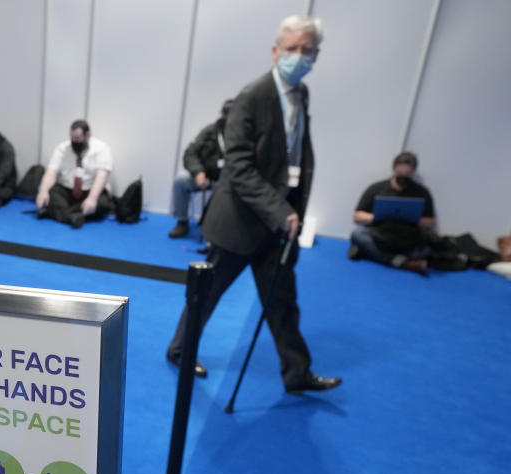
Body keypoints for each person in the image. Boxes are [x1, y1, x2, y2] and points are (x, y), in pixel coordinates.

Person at [166, 15, 341, 395]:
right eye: (291, 49)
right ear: (275, 51)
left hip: (277, 225)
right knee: (207, 294)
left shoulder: (301, 94)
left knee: (282, 301)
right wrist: (280, 210)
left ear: (316, 55)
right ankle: (180, 351)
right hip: (239, 221)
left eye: (306, 50)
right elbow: (239, 169)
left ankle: (296, 373)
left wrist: (288, 209)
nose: (299, 56)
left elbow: (290, 156)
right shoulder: (252, 96)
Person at [348, 151, 436, 275]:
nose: (403, 177)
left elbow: (430, 223)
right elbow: (357, 216)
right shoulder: (376, 188)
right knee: (357, 234)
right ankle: (402, 262)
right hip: (379, 235)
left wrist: (413, 217)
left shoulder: (422, 192)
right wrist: (378, 216)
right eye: (400, 173)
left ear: (413, 173)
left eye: (408, 174)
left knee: (426, 250)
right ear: (394, 169)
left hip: (407, 239)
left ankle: (369, 253)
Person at [169, 99, 233, 238]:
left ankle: (221, 228)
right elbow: (190, 153)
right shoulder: (210, 131)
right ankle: (182, 221)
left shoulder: (243, 135)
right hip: (207, 176)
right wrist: (198, 172)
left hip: (229, 181)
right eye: (226, 115)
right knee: (181, 180)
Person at [35, 120, 114, 228]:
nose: (73, 141)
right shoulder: (62, 148)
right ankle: (73, 217)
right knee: (51, 194)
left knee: (103, 204)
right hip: (67, 189)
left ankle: (54, 213)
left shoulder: (101, 148)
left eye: (77, 138)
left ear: (87, 135)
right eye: (71, 137)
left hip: (90, 190)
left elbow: (102, 176)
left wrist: (92, 199)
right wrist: (43, 191)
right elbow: (51, 172)